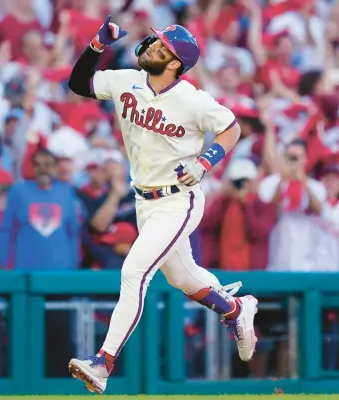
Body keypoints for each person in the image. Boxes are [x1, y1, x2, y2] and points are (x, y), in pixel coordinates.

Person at [68, 16, 258, 394]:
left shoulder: (192, 98)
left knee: (135, 272)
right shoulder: (126, 80)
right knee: (182, 278)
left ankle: (103, 362)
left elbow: (231, 127)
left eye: (161, 47)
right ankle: (236, 310)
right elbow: (78, 84)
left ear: (175, 64)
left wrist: (206, 162)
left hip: (177, 200)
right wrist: (96, 45)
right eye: (154, 42)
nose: (151, 46)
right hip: (144, 201)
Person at [0, 149, 79, 270]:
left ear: (56, 168)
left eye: (48, 165)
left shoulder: (66, 192)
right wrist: (4, 263)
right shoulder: (18, 191)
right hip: (25, 269)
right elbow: (6, 230)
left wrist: (74, 263)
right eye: (37, 165)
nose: (42, 169)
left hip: (61, 268)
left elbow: (73, 232)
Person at [259, 139, 327, 271]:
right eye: (290, 157)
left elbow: (319, 209)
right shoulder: (271, 183)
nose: (293, 161)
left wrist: (303, 181)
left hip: (306, 254)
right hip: (278, 251)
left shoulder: (315, 186)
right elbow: (268, 212)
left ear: (305, 159)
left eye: (297, 157)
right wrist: (283, 181)